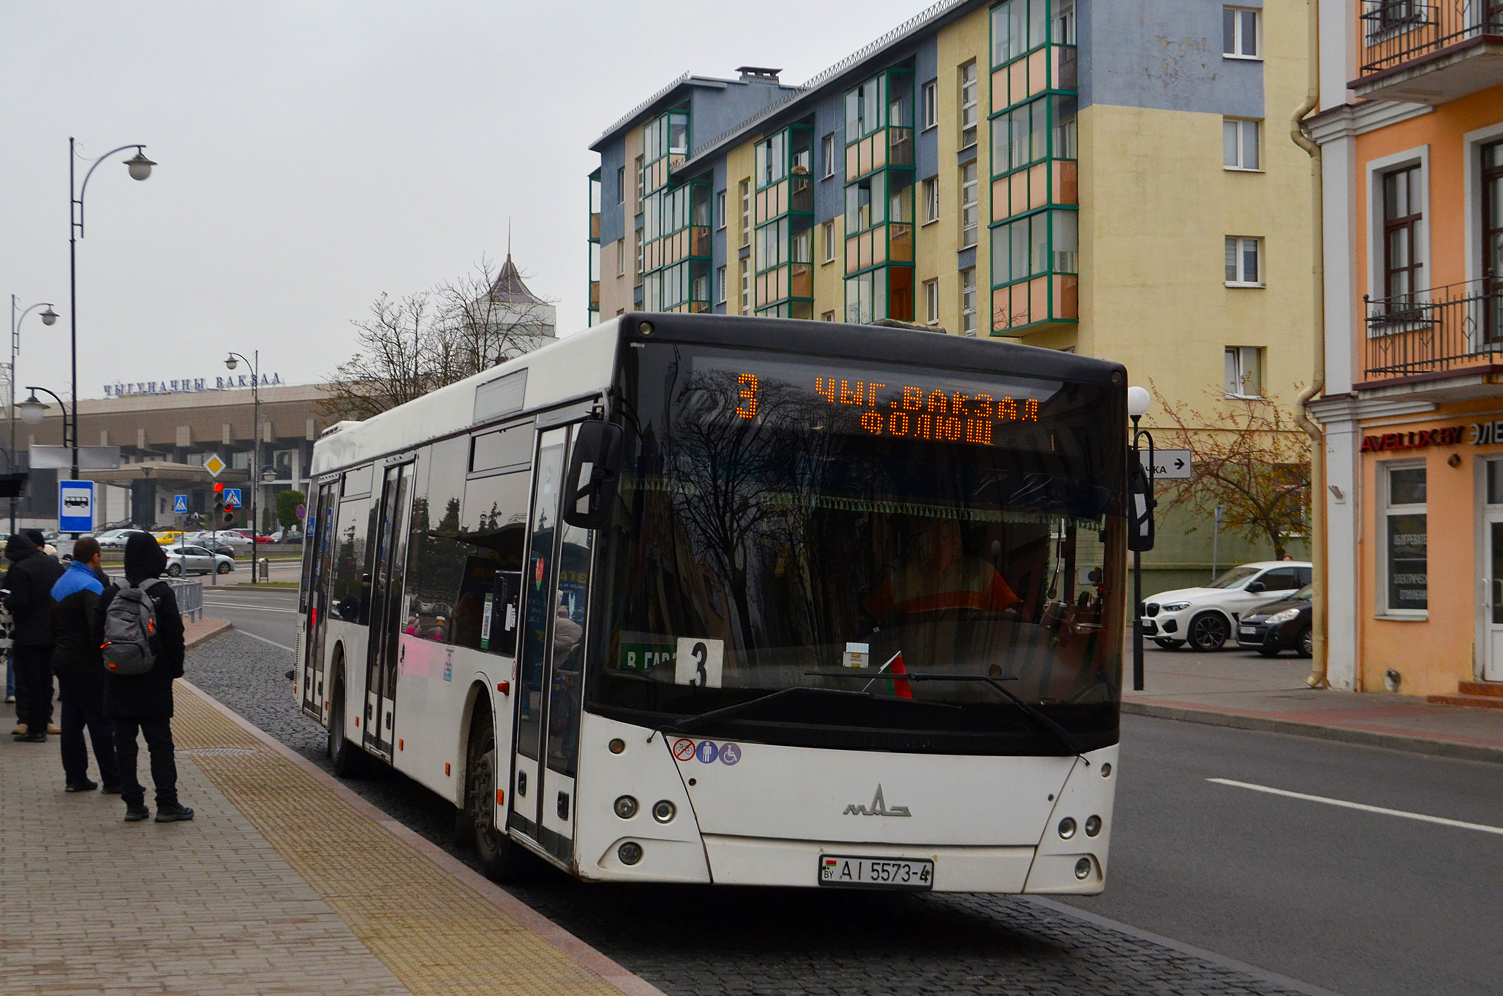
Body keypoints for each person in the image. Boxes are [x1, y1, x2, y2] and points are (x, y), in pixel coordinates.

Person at [99, 533, 192, 823]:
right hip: (154, 681)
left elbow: (96, 637)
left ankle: (133, 804)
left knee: (124, 744)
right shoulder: (162, 592)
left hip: (118, 682)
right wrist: (173, 671)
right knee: (160, 744)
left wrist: (109, 667)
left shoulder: (110, 592)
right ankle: (166, 803)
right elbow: (175, 638)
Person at [50, 537, 120, 793]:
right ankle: (113, 780)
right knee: (101, 722)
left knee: (71, 721)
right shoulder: (91, 586)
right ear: (96, 557)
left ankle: (75, 778)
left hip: (63, 659)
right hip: (87, 663)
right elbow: (98, 627)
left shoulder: (61, 583)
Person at [6, 530, 64, 742]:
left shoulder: (20, 569)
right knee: (46, 679)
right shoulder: (53, 565)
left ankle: (35, 729)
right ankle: (45, 721)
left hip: (28, 634)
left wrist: (7, 601)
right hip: (52, 633)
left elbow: (20, 601)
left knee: (30, 682)